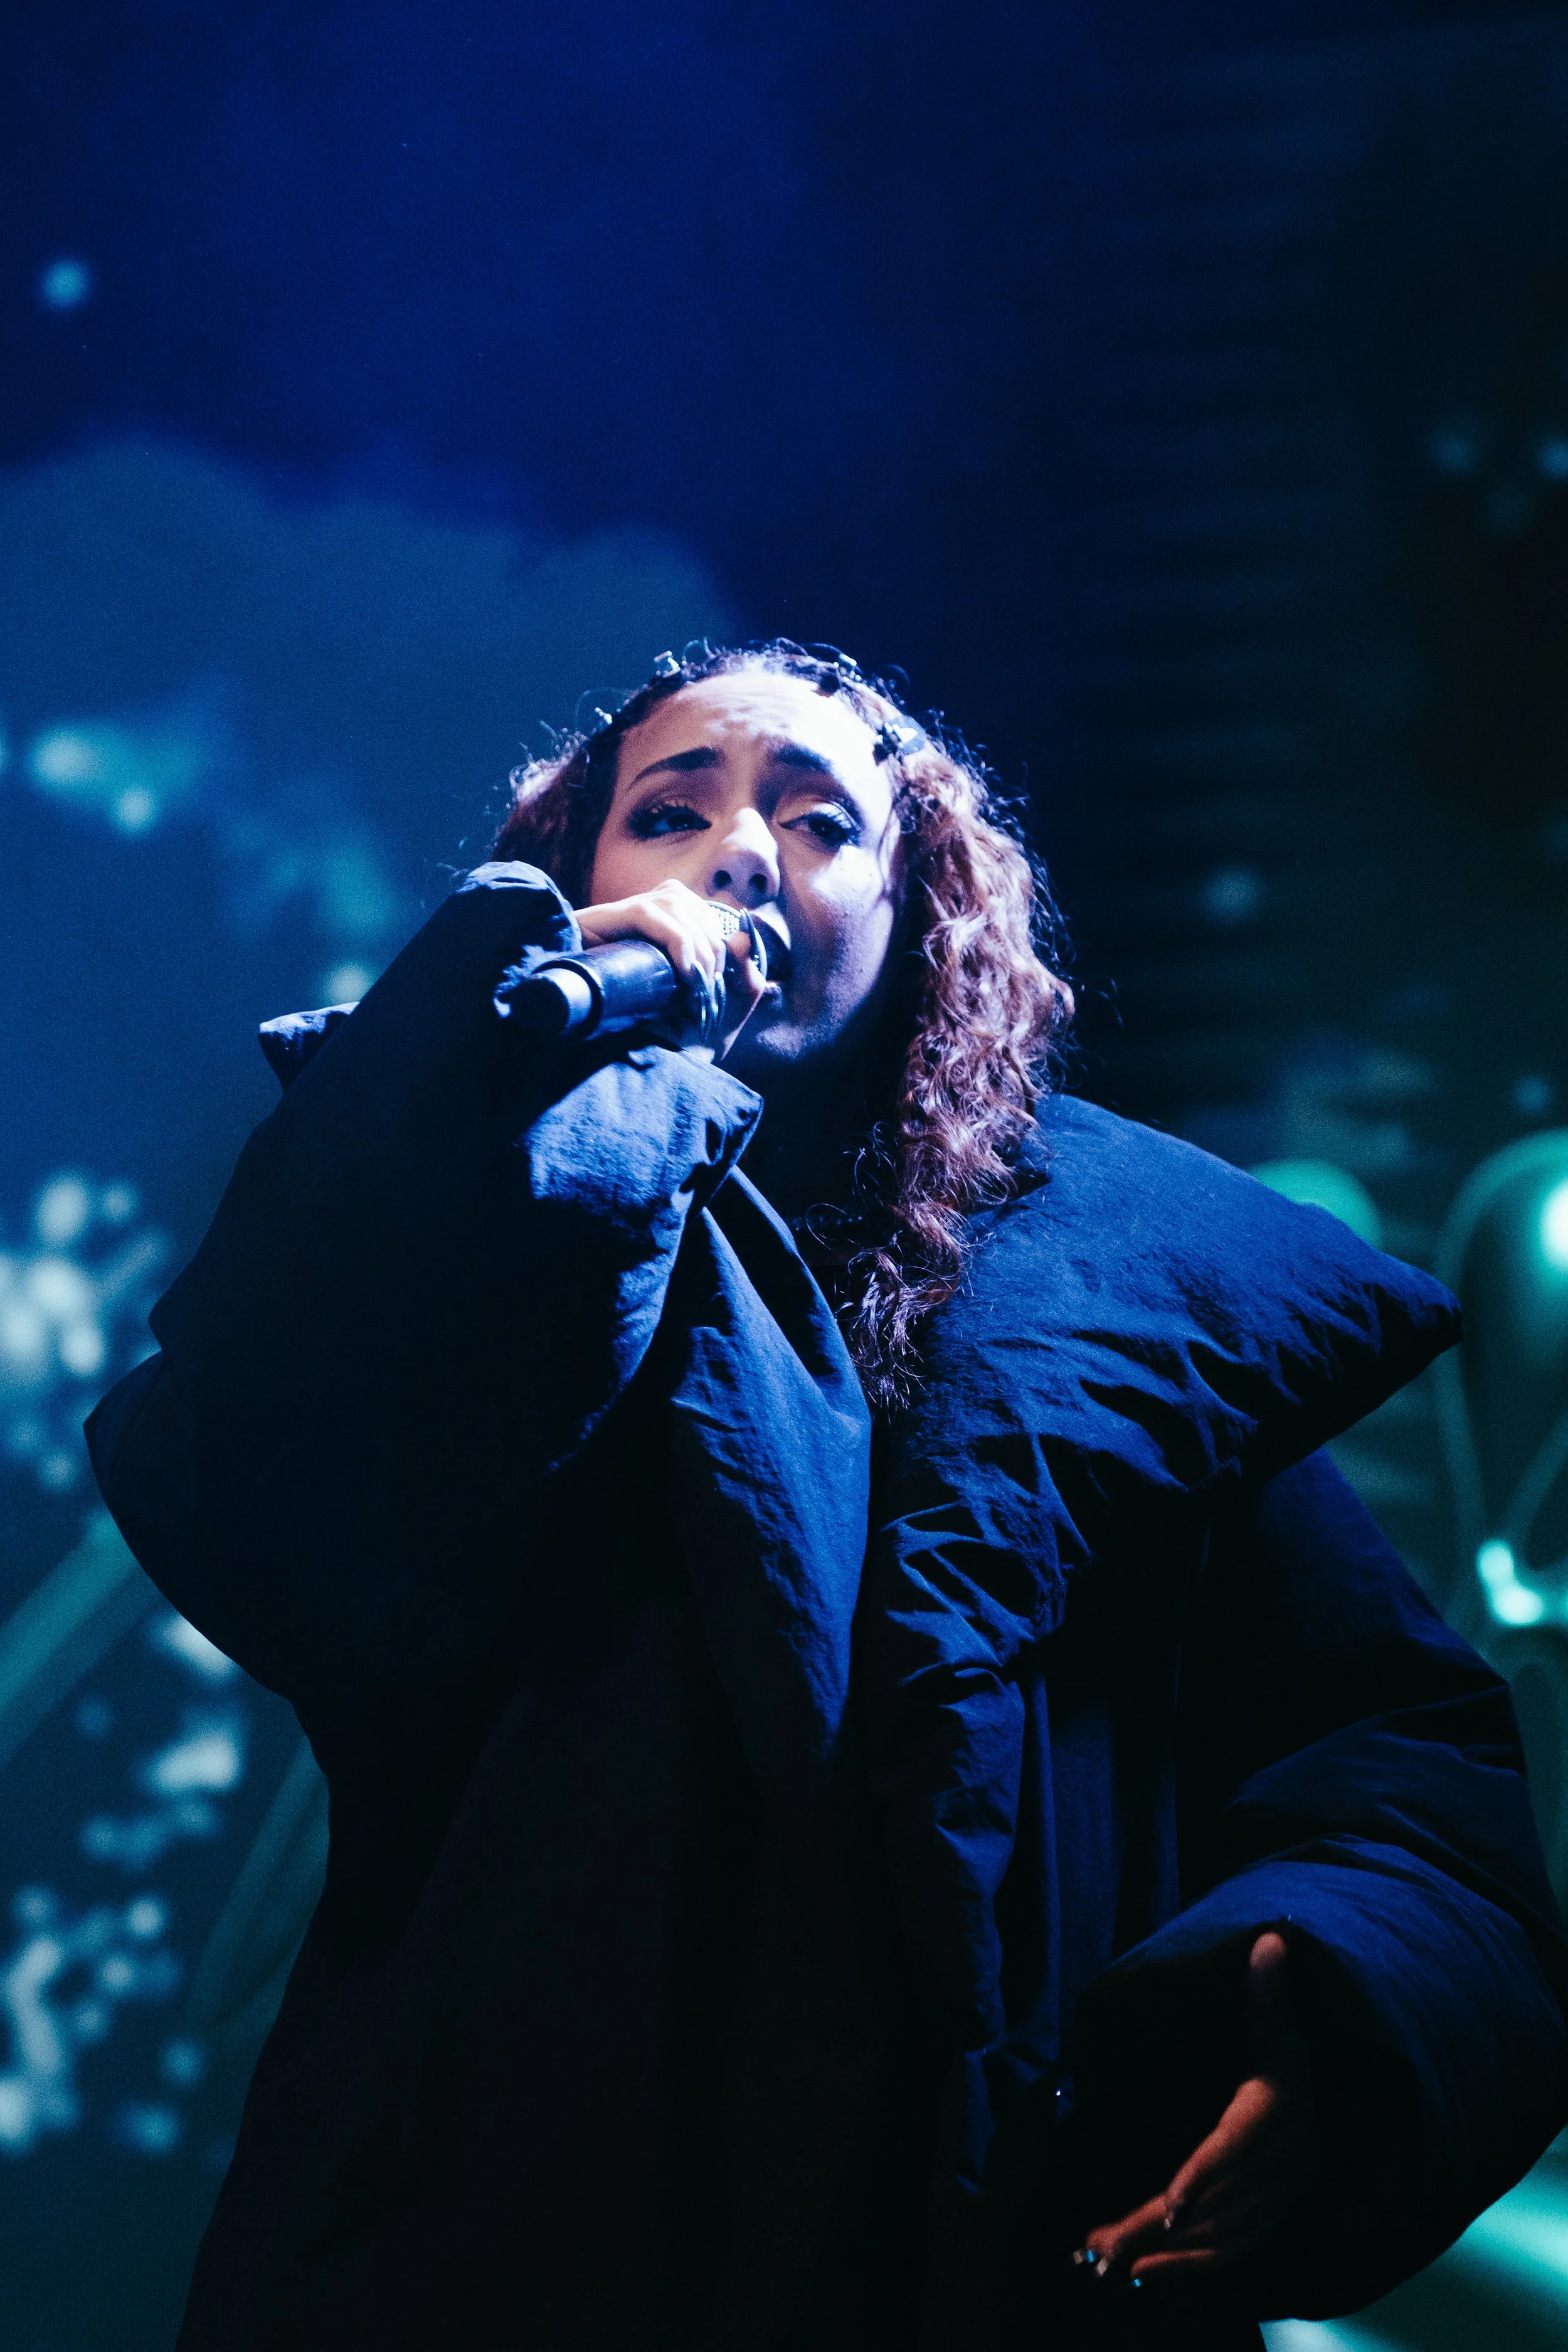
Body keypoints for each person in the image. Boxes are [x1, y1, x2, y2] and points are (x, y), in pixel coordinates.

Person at [87, 642, 1568, 2352]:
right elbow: (264, 1460)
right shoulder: (454, 1228)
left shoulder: (1142, 1305)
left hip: (977, 2244)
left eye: (816, 820)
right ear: (577, 889)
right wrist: (521, 1084)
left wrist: (1329, 1994)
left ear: (916, 915)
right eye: (670, 808)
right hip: (500, 2219)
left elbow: (1390, 1757)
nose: (736, 854)